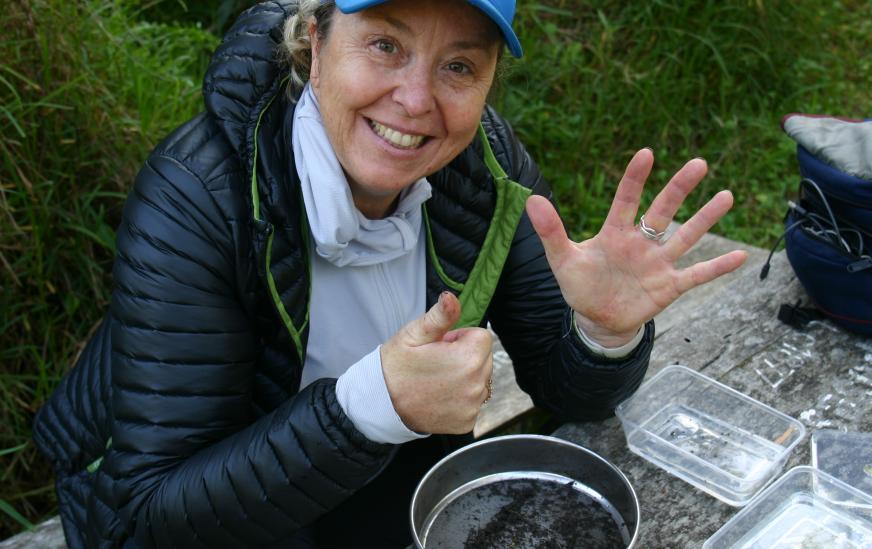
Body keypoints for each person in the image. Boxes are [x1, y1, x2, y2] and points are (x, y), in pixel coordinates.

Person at [32, 0, 747, 547]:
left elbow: (571, 389)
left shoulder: (485, 170)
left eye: (459, 66)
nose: (415, 100)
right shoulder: (199, 195)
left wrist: (602, 330)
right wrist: (372, 403)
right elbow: (153, 514)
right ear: (315, 44)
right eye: (384, 45)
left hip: (369, 481)